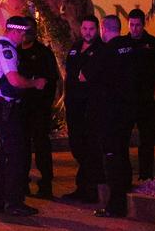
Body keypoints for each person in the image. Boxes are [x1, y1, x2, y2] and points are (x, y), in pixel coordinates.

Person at [0, 16, 46, 216]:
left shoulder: (3, 48)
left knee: (3, 155)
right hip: (6, 110)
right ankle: (13, 203)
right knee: (15, 156)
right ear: (16, 31)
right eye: (23, 33)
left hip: (2, 108)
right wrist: (34, 83)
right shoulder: (6, 50)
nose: (24, 37)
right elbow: (14, 80)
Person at [82, 15, 138, 218]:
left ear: (104, 29)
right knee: (123, 152)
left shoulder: (104, 52)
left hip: (110, 113)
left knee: (112, 156)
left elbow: (83, 76)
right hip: (128, 110)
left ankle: (116, 205)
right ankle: (126, 189)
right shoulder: (130, 47)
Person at [63, 15, 105, 203]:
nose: (88, 32)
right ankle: (84, 186)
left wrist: (80, 76)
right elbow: (71, 75)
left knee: (90, 148)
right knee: (77, 146)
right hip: (74, 107)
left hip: (91, 108)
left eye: (92, 29)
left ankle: (90, 189)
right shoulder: (75, 49)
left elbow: (85, 77)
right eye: (85, 29)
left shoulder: (101, 50)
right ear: (81, 29)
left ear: (97, 30)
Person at [17, 17, 59, 199]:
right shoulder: (14, 52)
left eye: (29, 29)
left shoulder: (43, 53)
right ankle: (22, 183)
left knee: (41, 146)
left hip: (39, 109)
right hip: (20, 108)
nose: (26, 33)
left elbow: (51, 80)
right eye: (23, 29)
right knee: (22, 147)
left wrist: (45, 104)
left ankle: (46, 184)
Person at [125, 8, 155, 181]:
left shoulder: (154, 44)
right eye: (131, 25)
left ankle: (145, 176)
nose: (134, 29)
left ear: (143, 24)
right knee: (122, 138)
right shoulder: (121, 44)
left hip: (146, 99)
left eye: (137, 25)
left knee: (147, 139)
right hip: (126, 100)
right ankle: (124, 174)